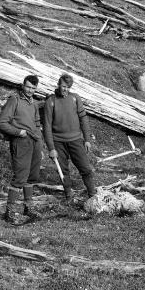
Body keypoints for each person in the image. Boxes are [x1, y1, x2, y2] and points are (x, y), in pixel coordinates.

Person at [43, 73, 96, 203]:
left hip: (76, 140)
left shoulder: (75, 99)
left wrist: (87, 139)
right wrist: (51, 148)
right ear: (58, 85)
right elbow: (47, 126)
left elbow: (83, 119)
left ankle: (93, 196)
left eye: (67, 87)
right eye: (63, 86)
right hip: (58, 142)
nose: (64, 89)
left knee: (86, 169)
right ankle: (69, 197)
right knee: (63, 171)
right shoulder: (51, 101)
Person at [0, 74, 43, 223]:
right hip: (21, 141)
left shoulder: (34, 104)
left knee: (32, 175)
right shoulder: (14, 100)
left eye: (33, 88)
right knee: (20, 177)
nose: (30, 90)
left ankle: (28, 208)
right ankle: (9, 211)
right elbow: (2, 123)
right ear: (23, 86)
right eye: (28, 87)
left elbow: (37, 125)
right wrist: (18, 132)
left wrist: (40, 142)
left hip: (35, 142)